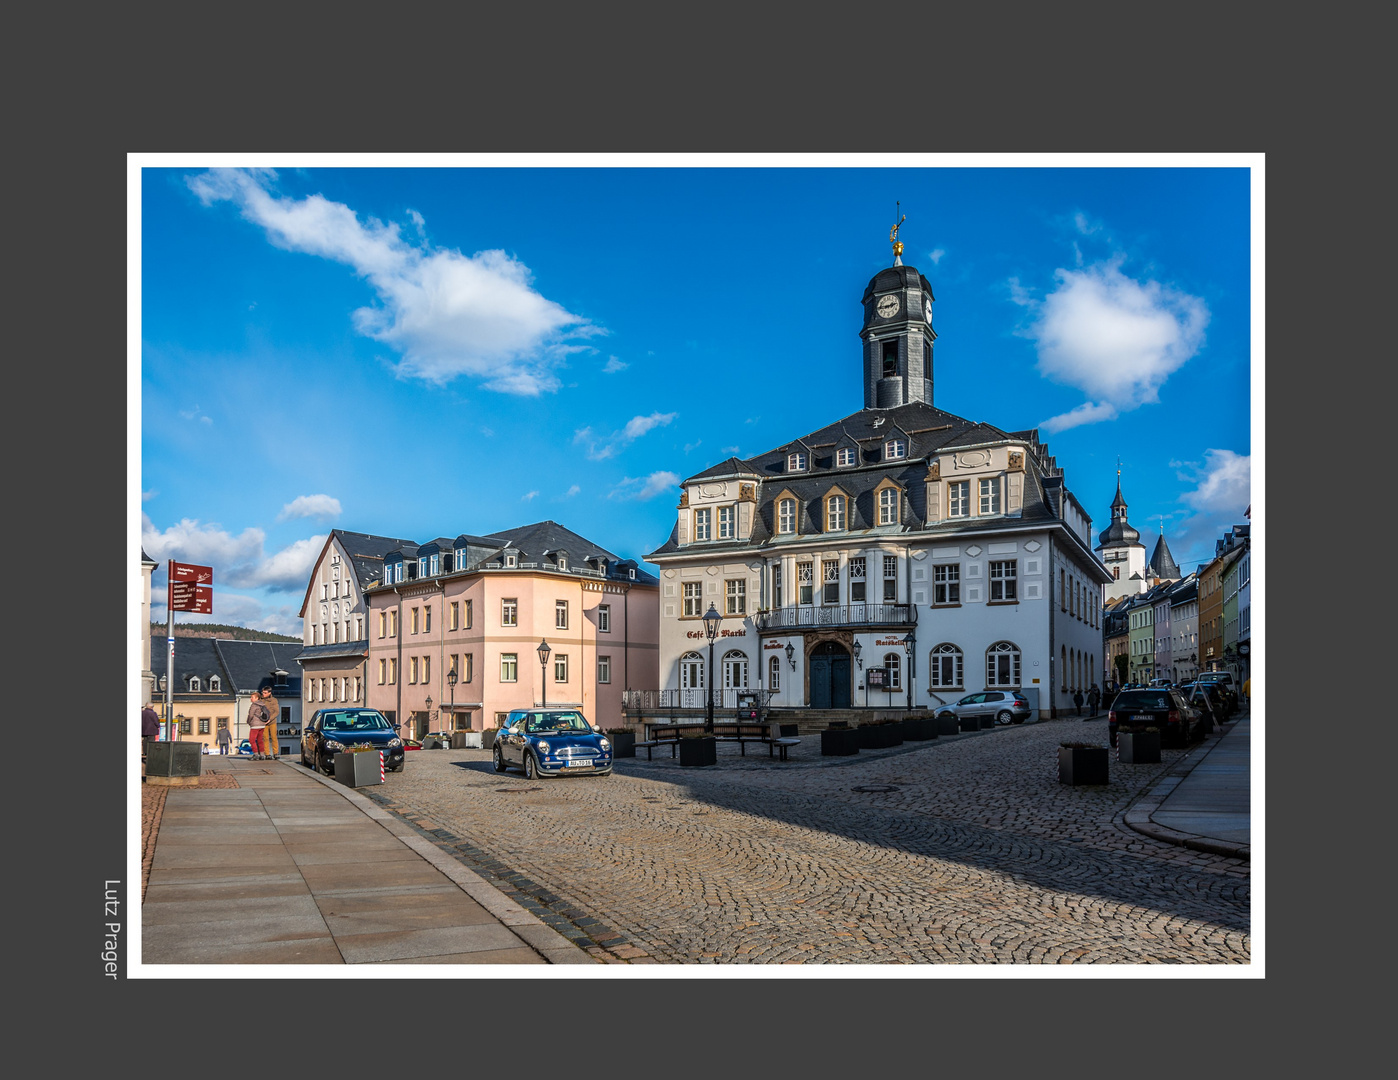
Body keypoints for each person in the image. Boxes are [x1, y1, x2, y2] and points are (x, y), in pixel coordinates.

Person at [247, 691, 271, 760]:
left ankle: (256, 754)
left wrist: (248, 722)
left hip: (255, 725)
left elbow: (251, 715)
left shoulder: (254, 705)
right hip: (262, 725)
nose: (251, 699)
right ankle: (262, 755)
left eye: (252, 697)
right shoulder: (262, 704)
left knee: (252, 740)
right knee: (260, 740)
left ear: (257, 698)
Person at [260, 687, 281, 759]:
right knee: (265, 738)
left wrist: (270, 719)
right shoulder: (261, 700)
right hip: (263, 722)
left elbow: (277, 712)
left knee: (274, 737)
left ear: (269, 693)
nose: (263, 694)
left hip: (272, 722)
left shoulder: (274, 700)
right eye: (263, 692)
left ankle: (276, 753)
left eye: (265, 693)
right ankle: (267, 754)